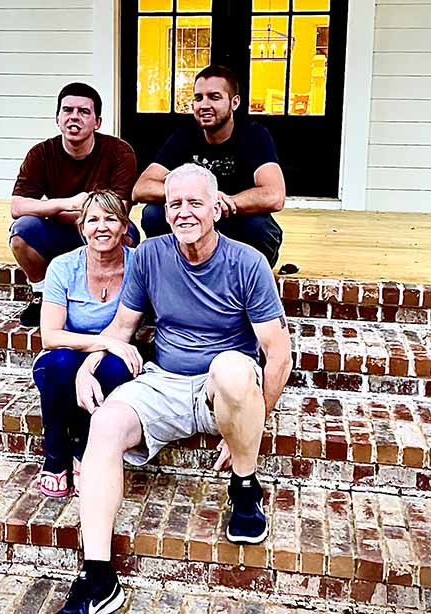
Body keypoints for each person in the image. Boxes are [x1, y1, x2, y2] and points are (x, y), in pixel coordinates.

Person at [57, 164, 293, 613]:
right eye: (175, 204)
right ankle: (98, 575)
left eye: (195, 203)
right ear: (165, 212)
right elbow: (123, 327)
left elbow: (278, 354)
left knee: (231, 368)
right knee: (104, 426)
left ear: (217, 208)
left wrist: (249, 425)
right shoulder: (148, 256)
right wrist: (88, 367)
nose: (184, 212)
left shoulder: (248, 262)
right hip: (163, 381)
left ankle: (245, 485)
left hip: (223, 386)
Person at [32, 190, 142, 497]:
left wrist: (101, 354)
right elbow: (50, 336)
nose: (101, 226)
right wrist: (101, 343)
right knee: (61, 363)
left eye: (111, 218)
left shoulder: (138, 266)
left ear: (124, 227)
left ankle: (83, 451)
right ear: (82, 228)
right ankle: (55, 456)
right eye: (93, 219)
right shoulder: (63, 267)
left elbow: (126, 329)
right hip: (68, 353)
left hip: (114, 355)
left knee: (117, 366)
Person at [9, 82, 140, 327]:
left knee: (127, 234)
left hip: (97, 229)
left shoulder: (119, 152)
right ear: (57, 118)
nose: (74, 118)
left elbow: (119, 210)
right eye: (67, 110)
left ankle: (117, 299)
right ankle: (42, 293)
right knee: (22, 232)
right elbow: (17, 206)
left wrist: (59, 212)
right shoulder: (41, 153)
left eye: (83, 112)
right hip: (60, 231)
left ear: (97, 122)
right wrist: (66, 204)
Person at [132, 64, 286, 268]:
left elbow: (274, 195)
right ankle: (176, 269)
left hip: (234, 219)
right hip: (195, 220)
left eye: (214, 97)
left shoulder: (254, 135)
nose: (204, 105)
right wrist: (202, 198)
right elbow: (141, 188)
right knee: (154, 214)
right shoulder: (184, 136)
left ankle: (247, 275)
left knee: (260, 227)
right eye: (198, 98)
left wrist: (225, 202)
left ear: (235, 102)